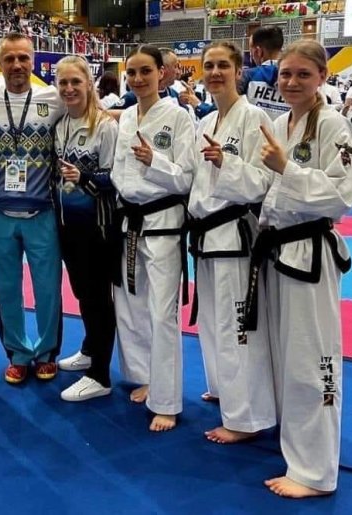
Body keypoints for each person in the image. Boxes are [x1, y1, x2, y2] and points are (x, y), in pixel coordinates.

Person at [241, 39, 352, 498]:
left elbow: (342, 196)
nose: (291, 82)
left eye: (303, 74)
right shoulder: (278, 123)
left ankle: (316, 472)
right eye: (286, 74)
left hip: (310, 251)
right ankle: (296, 449)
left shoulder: (334, 125)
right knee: (285, 356)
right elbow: (264, 187)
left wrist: (287, 168)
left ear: (322, 78)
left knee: (313, 358)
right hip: (276, 249)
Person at [186, 42, 276, 442]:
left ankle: (246, 419)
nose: (215, 72)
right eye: (209, 66)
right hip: (206, 235)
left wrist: (227, 162)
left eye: (223, 65)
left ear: (239, 70)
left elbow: (264, 182)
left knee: (238, 327)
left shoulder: (254, 118)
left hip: (236, 234)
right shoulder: (206, 121)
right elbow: (194, 182)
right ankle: (225, 389)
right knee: (213, 322)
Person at [0, 32, 65, 384]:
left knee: (48, 289)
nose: (17, 65)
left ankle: (46, 352)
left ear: (33, 61)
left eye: (23, 57)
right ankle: (18, 353)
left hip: (42, 212)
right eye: (9, 58)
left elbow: (89, 112)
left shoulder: (53, 99)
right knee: (6, 289)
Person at [111, 45, 194, 431]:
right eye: (132, 72)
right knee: (131, 305)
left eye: (146, 71)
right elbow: (118, 169)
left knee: (162, 313)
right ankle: (145, 377)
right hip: (129, 221)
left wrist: (154, 162)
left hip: (163, 225)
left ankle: (167, 401)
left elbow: (187, 176)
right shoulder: (127, 116)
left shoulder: (179, 117)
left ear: (162, 73)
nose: (138, 79)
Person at [52, 56, 118, 401]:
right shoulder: (61, 124)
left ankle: (100, 375)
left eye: (76, 82)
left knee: (98, 299)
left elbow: (116, 177)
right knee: (81, 293)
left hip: (97, 227)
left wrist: (85, 177)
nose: (69, 89)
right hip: (67, 225)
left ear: (89, 84)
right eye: (63, 83)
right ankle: (91, 349)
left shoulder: (105, 126)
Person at [240, 26, 289, 120]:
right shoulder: (297, 78)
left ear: (259, 51)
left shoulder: (247, 76)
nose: (252, 56)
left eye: (251, 51)